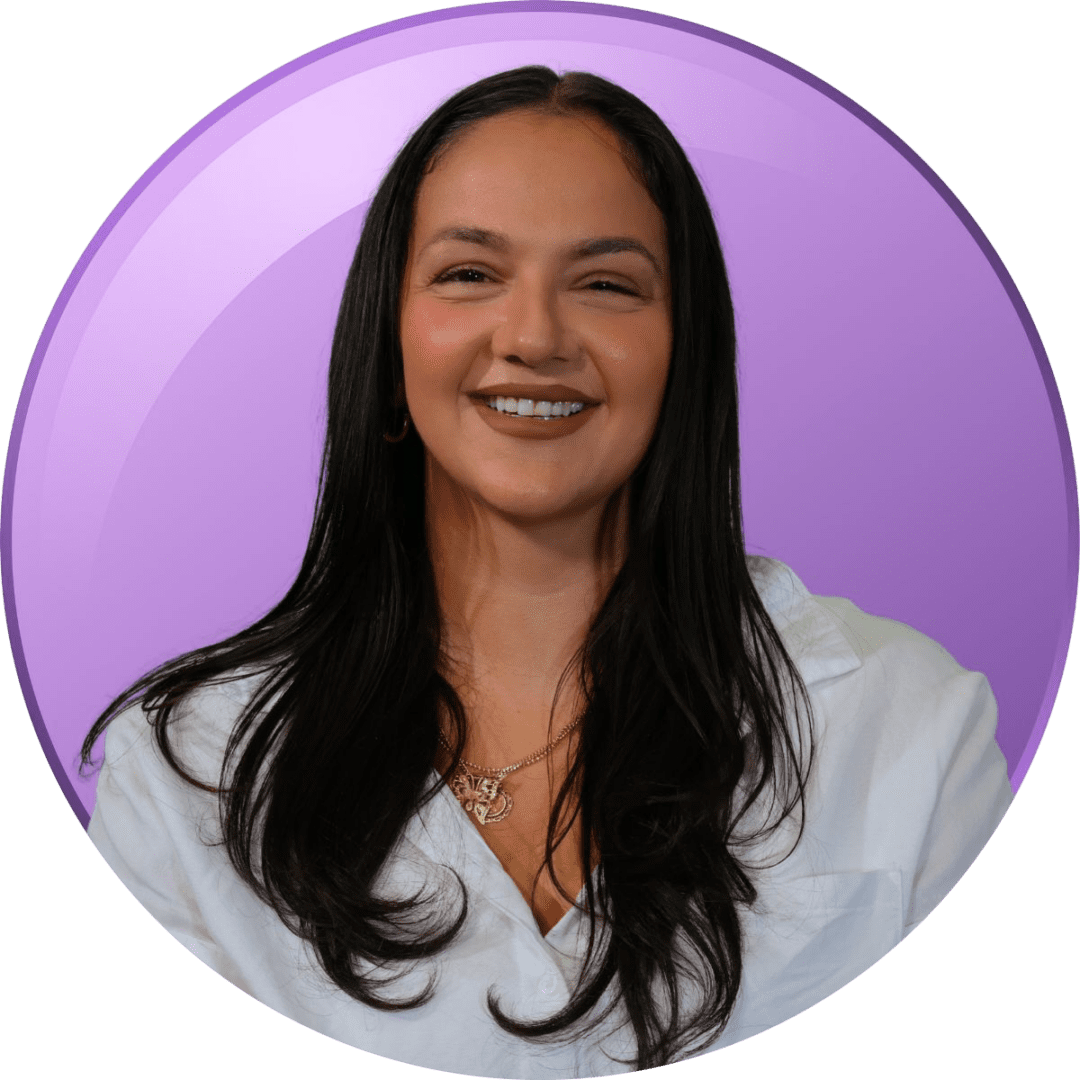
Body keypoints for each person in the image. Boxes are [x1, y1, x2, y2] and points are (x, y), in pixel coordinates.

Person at [82, 67, 1011, 1078]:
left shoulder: (911, 727)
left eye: (607, 284)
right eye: (470, 274)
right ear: (390, 348)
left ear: (682, 355)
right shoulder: (188, 776)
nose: (534, 338)